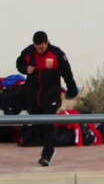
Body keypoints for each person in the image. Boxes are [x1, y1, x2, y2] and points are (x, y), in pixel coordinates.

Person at [15, 30, 79, 166]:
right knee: (38, 126)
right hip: (34, 97)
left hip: (51, 96)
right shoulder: (28, 52)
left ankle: (47, 153)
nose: (40, 51)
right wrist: (25, 69)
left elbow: (67, 74)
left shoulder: (57, 54)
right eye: (37, 48)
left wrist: (72, 91)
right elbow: (19, 63)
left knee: (48, 124)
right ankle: (47, 149)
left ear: (47, 42)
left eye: (42, 48)